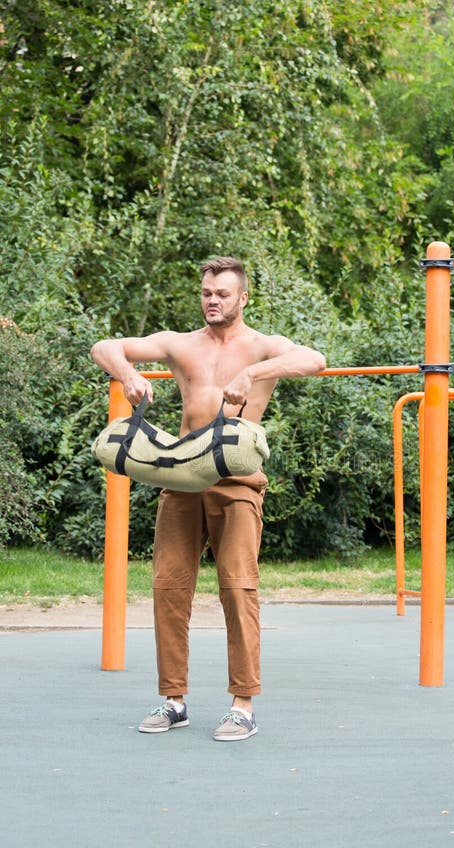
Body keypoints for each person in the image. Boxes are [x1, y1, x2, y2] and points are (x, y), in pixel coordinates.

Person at [90, 257, 325, 741]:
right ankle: (173, 700)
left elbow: (316, 360)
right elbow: (105, 346)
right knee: (169, 589)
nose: (212, 299)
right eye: (206, 292)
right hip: (181, 478)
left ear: (243, 298)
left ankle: (243, 705)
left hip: (236, 481)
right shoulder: (182, 345)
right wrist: (128, 376)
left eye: (221, 292)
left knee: (238, 589)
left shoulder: (263, 346)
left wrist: (256, 373)